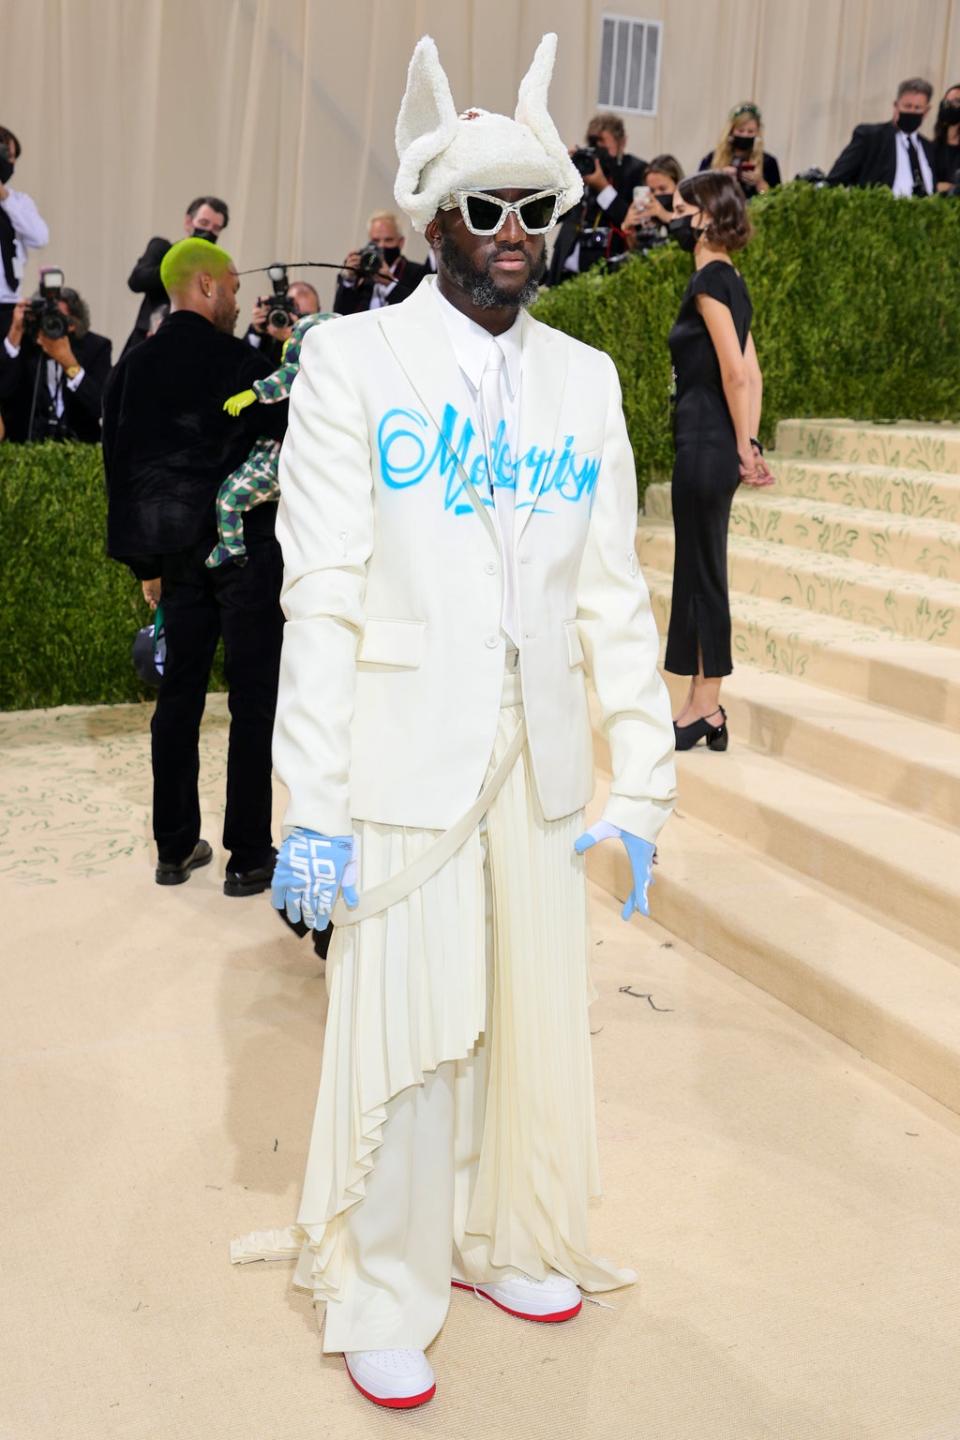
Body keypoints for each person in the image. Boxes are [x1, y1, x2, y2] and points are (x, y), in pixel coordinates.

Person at [231, 31, 677, 1412]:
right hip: (403, 767)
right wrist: (307, 811)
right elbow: (326, 599)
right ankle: (384, 1281)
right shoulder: (353, 364)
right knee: (412, 1034)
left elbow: (612, 595)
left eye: (533, 209)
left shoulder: (585, 384)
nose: (511, 236)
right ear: (432, 222)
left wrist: (643, 777)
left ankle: (497, 1236)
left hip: (538, 763)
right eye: (482, 210)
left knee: (526, 1018)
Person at [103, 238, 288, 895]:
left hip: (176, 559)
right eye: (233, 286)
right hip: (246, 554)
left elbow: (120, 467)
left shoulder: (132, 367)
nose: (238, 298)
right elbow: (287, 439)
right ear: (207, 287)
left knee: (177, 699)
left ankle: (175, 848)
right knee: (253, 701)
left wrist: (145, 564)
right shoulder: (243, 362)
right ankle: (248, 856)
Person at [664, 171, 773, 751]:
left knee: (703, 573)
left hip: (704, 442)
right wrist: (749, 444)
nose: (672, 217)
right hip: (717, 442)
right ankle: (701, 702)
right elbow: (751, 373)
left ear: (706, 215)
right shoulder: (733, 278)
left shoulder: (709, 279)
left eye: (681, 207)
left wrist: (738, 445)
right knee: (702, 569)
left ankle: (706, 706)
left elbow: (736, 371)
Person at [208, 310, 336, 569]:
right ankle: (233, 547)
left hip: (290, 459)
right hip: (298, 457)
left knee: (229, 498)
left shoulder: (308, 371)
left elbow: (287, 375)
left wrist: (254, 393)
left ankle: (232, 548)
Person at [119, 195, 230, 359]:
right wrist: (182, 264)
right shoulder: (162, 248)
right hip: (147, 340)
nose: (208, 232)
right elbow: (137, 280)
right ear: (188, 222)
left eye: (216, 228)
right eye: (203, 223)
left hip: (188, 347)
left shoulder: (214, 270)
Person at [0, 281, 111, 443]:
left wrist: (70, 364)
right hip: (25, 447)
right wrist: (15, 334)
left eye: (57, 319)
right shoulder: (24, 345)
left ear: (73, 325)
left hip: (79, 448)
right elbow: (3, 390)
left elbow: (100, 408)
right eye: (44, 318)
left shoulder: (96, 347)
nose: (48, 325)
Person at [546, 111, 646, 282]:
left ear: (622, 142)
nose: (598, 151)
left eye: (603, 144)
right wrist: (564, 174)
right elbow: (552, 216)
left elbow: (632, 221)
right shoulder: (583, 165)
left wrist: (602, 187)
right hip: (563, 272)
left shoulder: (635, 171)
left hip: (603, 273)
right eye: (593, 144)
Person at [826, 78, 935, 195]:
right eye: (907, 106)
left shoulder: (929, 148)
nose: (912, 112)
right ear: (896, 106)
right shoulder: (871, 137)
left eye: (917, 108)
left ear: (926, 111)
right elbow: (836, 179)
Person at [0, 125, 49, 343]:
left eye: (14, 159)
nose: (11, 164)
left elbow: (39, 237)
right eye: (7, 156)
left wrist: (5, 198)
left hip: (10, 303)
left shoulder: (19, 201)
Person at [333, 210, 428, 316]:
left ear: (401, 242)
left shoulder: (418, 273)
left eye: (388, 240)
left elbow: (417, 313)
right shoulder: (362, 270)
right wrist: (349, 280)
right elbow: (339, 314)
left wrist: (389, 284)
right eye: (376, 241)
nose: (381, 246)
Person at [698, 103, 780, 198]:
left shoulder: (768, 162)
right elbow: (697, 191)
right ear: (731, 131)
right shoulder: (712, 158)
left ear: (757, 133)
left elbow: (776, 198)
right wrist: (718, 176)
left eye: (750, 132)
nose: (745, 135)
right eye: (740, 131)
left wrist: (759, 183)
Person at [245, 279, 321, 367]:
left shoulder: (322, 342)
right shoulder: (268, 332)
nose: (297, 320)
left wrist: (294, 340)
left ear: (319, 312)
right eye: (293, 311)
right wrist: (256, 331)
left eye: (304, 317)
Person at [622, 153, 684, 251]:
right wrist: (628, 230)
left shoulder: (690, 209)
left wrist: (664, 214)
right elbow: (636, 252)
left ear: (677, 185)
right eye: (652, 190)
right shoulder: (646, 215)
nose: (656, 195)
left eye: (662, 189)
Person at [933, 83, 960, 191]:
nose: (948, 105)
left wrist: (950, 187)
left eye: (956, 101)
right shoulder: (932, 147)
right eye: (946, 101)